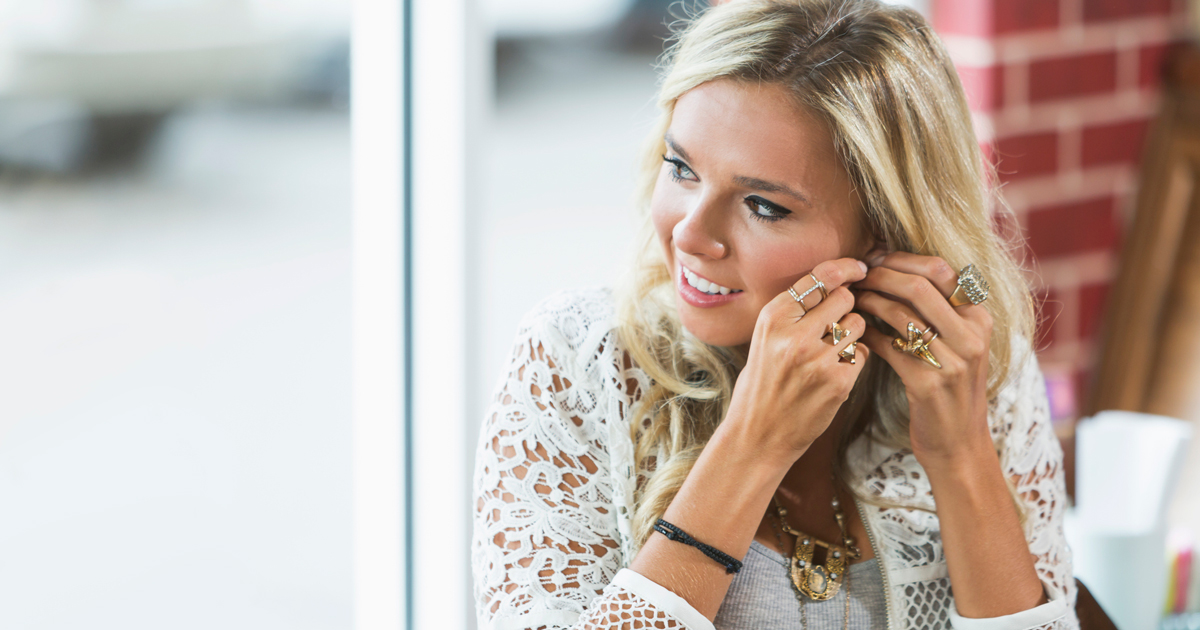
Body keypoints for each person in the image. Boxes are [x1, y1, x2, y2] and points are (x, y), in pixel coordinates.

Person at [471, 0, 1078, 628]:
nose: (691, 234)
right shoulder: (577, 362)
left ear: (884, 234)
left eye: (762, 205)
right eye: (681, 169)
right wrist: (752, 446)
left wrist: (961, 454)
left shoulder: (973, 372)